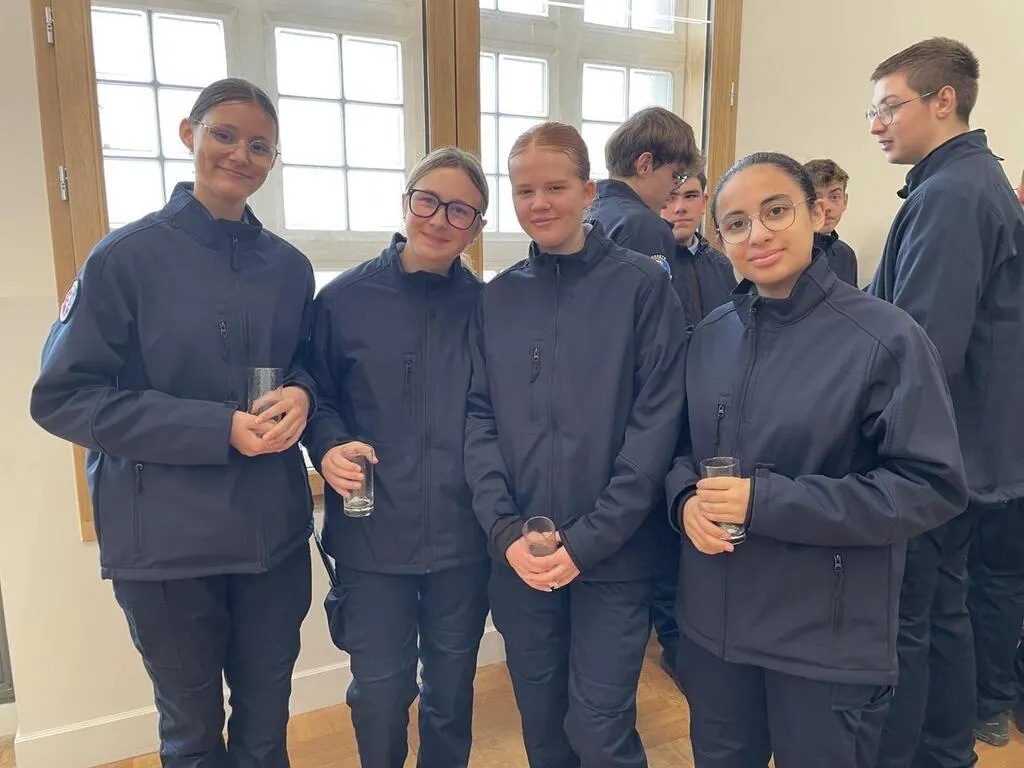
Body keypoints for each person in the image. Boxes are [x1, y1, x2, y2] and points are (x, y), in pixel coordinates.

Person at [30, 78, 316, 767]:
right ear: (189, 135)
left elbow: (306, 365)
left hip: (271, 540)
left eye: (259, 146)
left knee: (266, 729)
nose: (240, 155)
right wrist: (216, 428)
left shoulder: (288, 268)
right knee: (191, 736)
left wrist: (304, 394)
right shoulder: (123, 258)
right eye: (225, 135)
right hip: (165, 547)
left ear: (273, 160)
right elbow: (63, 397)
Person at [665, 152, 968, 768]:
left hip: (826, 637)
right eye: (737, 223)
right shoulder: (710, 335)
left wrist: (767, 500)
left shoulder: (886, 338)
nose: (759, 234)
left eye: (776, 211)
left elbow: (929, 485)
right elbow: (681, 451)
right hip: (716, 627)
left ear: (816, 213)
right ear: (721, 239)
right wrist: (683, 500)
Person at [465, 122, 687, 767]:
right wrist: (504, 530)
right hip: (524, 555)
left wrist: (590, 540)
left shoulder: (643, 287)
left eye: (555, 187)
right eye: (524, 190)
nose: (539, 203)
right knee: (542, 725)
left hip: (614, 556)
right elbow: (477, 419)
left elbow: (656, 426)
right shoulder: (497, 298)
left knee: (599, 726)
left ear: (588, 191)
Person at [303, 148, 490, 768]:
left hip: (463, 540)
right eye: (427, 201)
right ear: (406, 203)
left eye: (460, 210)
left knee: (451, 693)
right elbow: (316, 395)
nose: (439, 219)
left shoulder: (490, 309)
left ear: (477, 227)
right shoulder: (343, 300)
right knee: (380, 693)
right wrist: (328, 445)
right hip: (371, 534)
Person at [865, 37, 1024, 764]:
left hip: (934, 454)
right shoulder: (968, 181)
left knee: (914, 620)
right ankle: (946, 751)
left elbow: (923, 346)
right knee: (943, 611)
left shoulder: (953, 195)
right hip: (968, 450)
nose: (877, 125)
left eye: (888, 107)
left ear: (944, 100)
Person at [586, 105, 700, 682]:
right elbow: (659, 339)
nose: (673, 196)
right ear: (647, 163)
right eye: (674, 179)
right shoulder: (643, 227)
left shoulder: (590, 215)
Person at [660, 171, 738, 323]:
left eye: (690, 196)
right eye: (670, 197)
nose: (680, 208)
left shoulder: (722, 266)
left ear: (704, 202)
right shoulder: (644, 264)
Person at [803, 158, 859, 286]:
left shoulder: (845, 254)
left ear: (845, 201)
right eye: (815, 199)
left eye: (834, 197)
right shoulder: (786, 254)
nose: (826, 207)